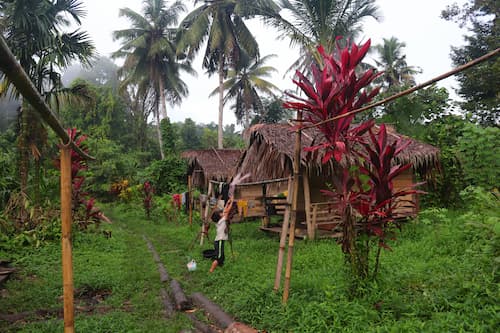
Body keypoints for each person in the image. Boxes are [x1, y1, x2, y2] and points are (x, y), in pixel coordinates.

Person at [209, 198, 236, 273]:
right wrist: (232, 202)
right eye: (220, 213)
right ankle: (211, 270)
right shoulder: (223, 220)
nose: (222, 213)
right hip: (219, 241)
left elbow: (225, 210)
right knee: (219, 257)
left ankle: (221, 270)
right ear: (219, 217)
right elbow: (227, 211)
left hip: (218, 241)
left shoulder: (219, 221)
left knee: (222, 257)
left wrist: (227, 202)